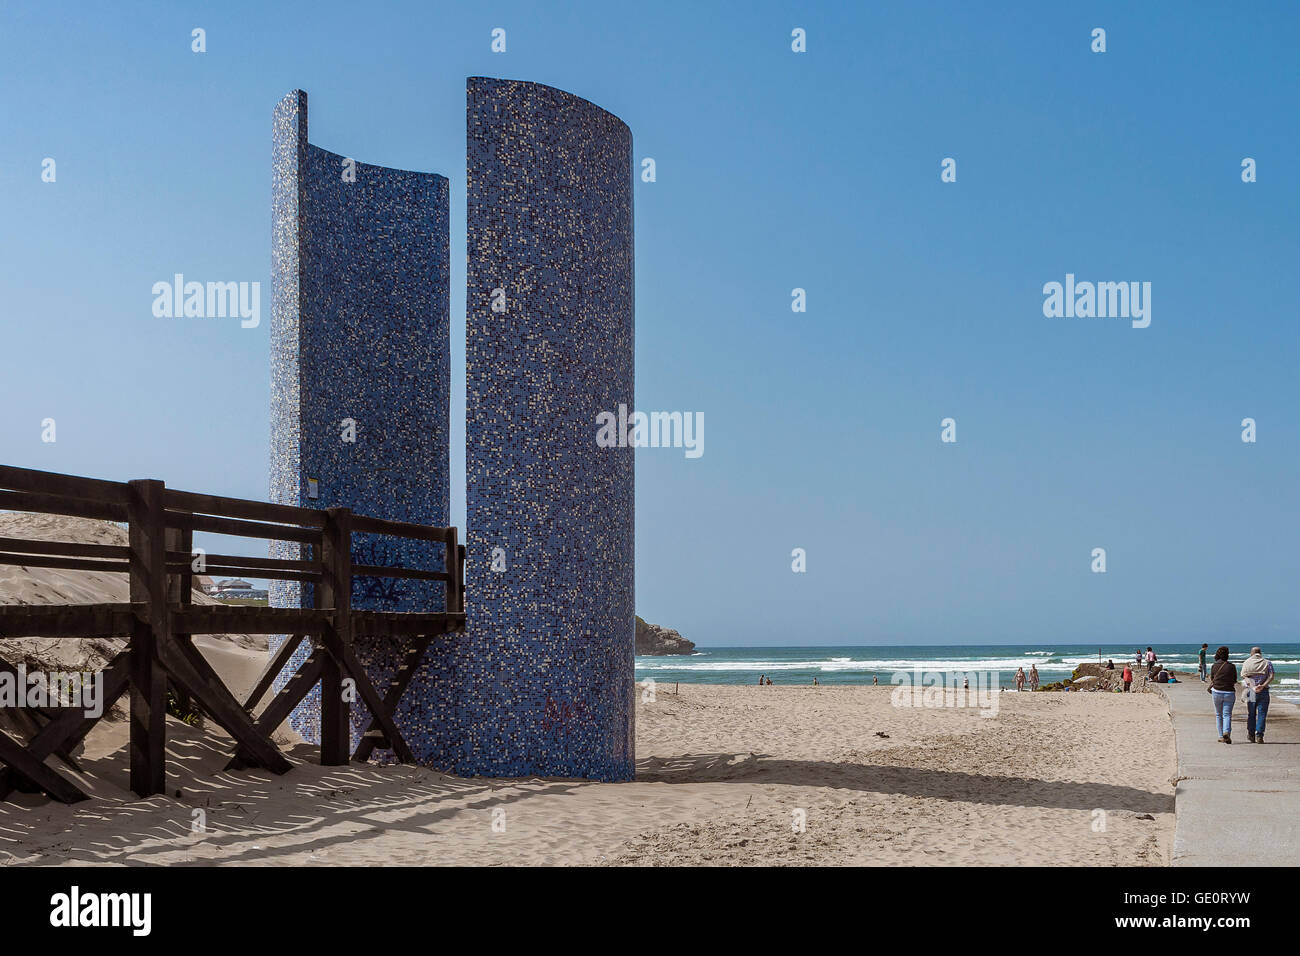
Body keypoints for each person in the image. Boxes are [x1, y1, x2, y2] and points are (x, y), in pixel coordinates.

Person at [1241, 647, 1274, 744]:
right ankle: (1259, 735)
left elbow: (1244, 675)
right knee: (1262, 714)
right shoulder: (1267, 662)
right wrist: (1263, 685)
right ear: (1260, 653)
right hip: (1263, 690)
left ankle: (1251, 734)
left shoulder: (1247, 662)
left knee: (1251, 714)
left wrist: (1252, 685)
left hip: (1251, 691)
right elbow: (1271, 676)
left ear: (1252, 653)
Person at [1209, 646, 1237, 744]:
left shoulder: (1214, 666)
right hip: (1229, 692)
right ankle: (1227, 732)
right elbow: (1234, 680)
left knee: (1218, 714)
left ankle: (1221, 736)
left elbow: (1212, 678)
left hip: (1217, 691)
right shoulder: (1232, 666)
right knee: (1227, 714)